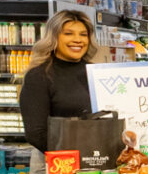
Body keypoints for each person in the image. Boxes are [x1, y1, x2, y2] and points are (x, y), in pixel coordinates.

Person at [20, 10, 99, 153]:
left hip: (97, 156)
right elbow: (36, 133)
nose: (78, 40)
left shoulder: (96, 73)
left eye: (83, 34)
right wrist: (76, 157)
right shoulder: (39, 76)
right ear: (54, 37)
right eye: (68, 34)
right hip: (56, 162)